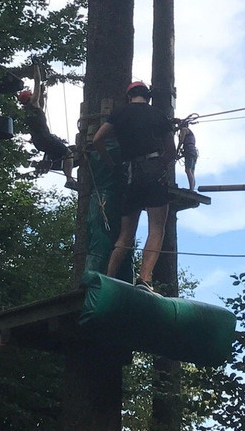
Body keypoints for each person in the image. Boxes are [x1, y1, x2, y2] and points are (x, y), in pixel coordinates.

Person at [92, 80, 176, 294]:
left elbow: (97, 140)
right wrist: (163, 164)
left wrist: (110, 162)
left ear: (129, 96)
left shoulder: (119, 114)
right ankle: (145, 279)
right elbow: (171, 152)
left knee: (126, 233)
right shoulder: (159, 116)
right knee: (157, 228)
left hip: (130, 172)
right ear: (147, 97)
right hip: (154, 170)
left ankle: (108, 278)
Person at [18, 63, 75, 187]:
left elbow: (41, 106)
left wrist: (42, 92)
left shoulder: (27, 111)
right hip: (45, 138)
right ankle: (69, 180)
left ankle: (49, 161)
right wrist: (36, 66)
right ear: (30, 97)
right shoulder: (33, 103)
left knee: (55, 151)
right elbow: (37, 81)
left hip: (38, 142)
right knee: (68, 153)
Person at [177, 120, 198, 192]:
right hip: (193, 151)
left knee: (188, 170)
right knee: (192, 171)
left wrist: (177, 150)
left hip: (189, 150)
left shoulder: (184, 129)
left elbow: (181, 141)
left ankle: (191, 189)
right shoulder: (190, 132)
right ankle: (192, 188)